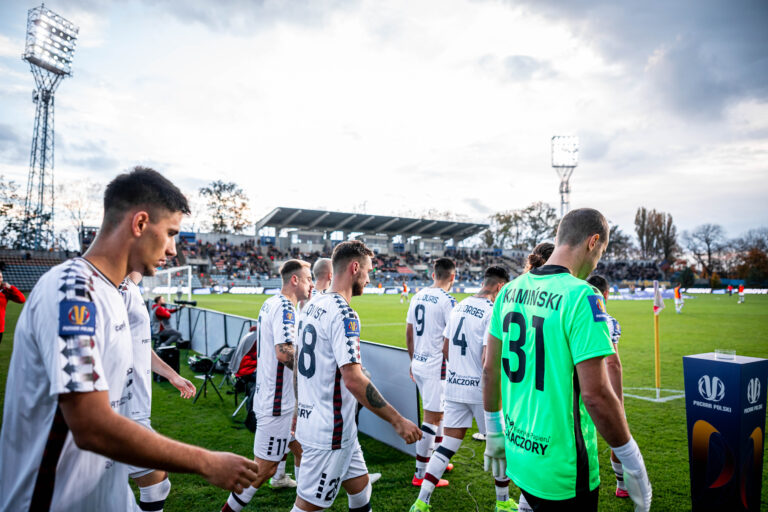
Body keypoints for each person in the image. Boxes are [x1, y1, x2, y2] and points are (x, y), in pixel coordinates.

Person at [0, 167, 258, 511]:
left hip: (106, 495)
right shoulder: (74, 292)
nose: (173, 251)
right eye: (170, 233)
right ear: (139, 224)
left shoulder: (115, 293)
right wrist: (205, 462)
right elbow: (91, 425)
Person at [482, 208, 652, 512]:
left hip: (520, 453)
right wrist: (632, 461)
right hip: (564, 467)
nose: (597, 260)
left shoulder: (509, 291)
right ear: (593, 241)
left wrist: (493, 430)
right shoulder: (582, 296)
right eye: (600, 252)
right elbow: (596, 394)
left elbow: (489, 370)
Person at [292, 240, 422, 511]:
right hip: (329, 431)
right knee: (307, 506)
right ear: (354, 268)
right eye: (368, 270)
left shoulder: (311, 306)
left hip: (327, 424)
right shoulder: (343, 313)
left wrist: (296, 409)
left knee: (361, 486)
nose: (369, 277)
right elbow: (353, 379)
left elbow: (298, 366)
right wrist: (398, 421)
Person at [410, 266, 512, 512]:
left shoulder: (458, 305)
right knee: (501, 447)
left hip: (455, 387)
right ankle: (502, 502)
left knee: (445, 446)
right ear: (499, 287)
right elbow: (489, 358)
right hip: (481, 392)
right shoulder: (493, 310)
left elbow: (446, 348)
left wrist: (459, 372)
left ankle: (421, 502)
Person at [221, 259, 314, 512]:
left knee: (305, 451)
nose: (312, 284)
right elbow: (285, 353)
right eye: (308, 279)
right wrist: (314, 373)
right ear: (294, 280)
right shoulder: (285, 307)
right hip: (276, 405)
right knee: (262, 471)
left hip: (276, 398)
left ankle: (305, 504)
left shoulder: (271, 302)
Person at [120, 271, 197, 511]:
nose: (171, 251)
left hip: (135, 408)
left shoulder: (131, 287)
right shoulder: (117, 288)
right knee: (155, 481)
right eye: (167, 235)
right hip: (123, 409)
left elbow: (139, 344)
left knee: (150, 484)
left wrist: (172, 375)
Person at [407, 257, 457, 487]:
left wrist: (412, 360)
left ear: (433, 274)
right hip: (436, 366)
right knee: (433, 417)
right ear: (453, 276)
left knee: (440, 412)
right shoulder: (448, 301)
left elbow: (409, 330)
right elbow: (452, 340)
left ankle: (438, 458)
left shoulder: (417, 294)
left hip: (418, 362)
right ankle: (422, 474)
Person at [586, 274, 628, 499]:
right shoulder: (608, 320)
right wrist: (618, 400)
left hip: (573, 388)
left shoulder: (572, 310)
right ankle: (622, 484)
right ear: (605, 294)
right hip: (601, 388)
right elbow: (613, 362)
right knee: (617, 434)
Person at [0, 269, 26, 345]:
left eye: (1, 277)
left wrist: (11, 288)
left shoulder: (5, 292)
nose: (0, 279)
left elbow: (22, 299)